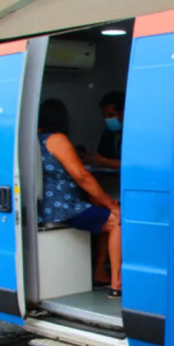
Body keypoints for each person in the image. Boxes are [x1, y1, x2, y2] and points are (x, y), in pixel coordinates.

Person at [37, 98, 122, 297]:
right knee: (116, 221)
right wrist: (111, 205)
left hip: (48, 206)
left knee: (103, 219)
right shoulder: (57, 139)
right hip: (65, 207)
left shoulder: (37, 139)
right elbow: (82, 176)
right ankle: (117, 285)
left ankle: (100, 272)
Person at [81, 90, 124, 169]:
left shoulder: (134, 134)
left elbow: (132, 164)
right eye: (104, 115)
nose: (107, 119)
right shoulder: (108, 133)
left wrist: (103, 161)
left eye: (110, 115)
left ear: (123, 113)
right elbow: (101, 156)